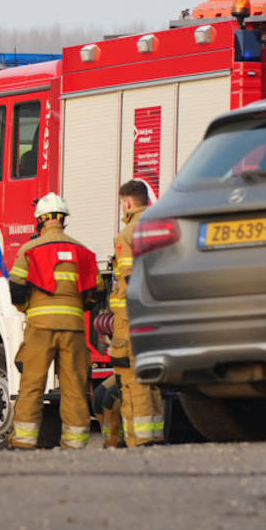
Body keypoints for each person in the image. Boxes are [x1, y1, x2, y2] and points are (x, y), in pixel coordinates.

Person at [6, 193, 98, 450]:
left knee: (33, 384)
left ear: (40, 221)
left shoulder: (29, 250)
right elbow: (95, 291)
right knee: (74, 386)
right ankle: (75, 443)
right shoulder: (83, 251)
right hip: (74, 329)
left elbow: (16, 289)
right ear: (63, 220)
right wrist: (77, 308)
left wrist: (27, 308)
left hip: (40, 328)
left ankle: (24, 442)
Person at [111, 180, 165, 446]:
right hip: (161, 314)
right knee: (154, 378)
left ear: (128, 202)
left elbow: (132, 281)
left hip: (133, 319)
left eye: (122, 203)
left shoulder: (126, 235)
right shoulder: (162, 228)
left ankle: (141, 440)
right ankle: (155, 435)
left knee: (134, 380)